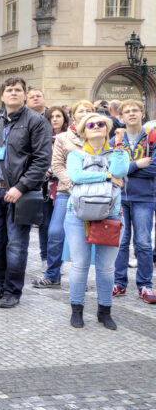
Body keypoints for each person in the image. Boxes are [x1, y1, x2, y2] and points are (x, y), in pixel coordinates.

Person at [0, 77, 52, 308]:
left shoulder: (36, 122)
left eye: (18, 90)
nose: (13, 93)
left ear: (24, 95)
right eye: (9, 90)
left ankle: (13, 290)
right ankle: (0, 283)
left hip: (18, 194)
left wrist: (20, 187)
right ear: (2, 96)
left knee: (16, 245)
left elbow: (42, 160)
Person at [65, 113, 129, 329]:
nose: (97, 127)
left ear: (107, 129)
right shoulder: (75, 154)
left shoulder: (117, 152)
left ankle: (105, 311)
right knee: (80, 264)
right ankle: (77, 309)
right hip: (77, 213)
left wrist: (119, 146)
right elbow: (75, 176)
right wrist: (107, 176)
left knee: (105, 267)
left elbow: (120, 171)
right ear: (83, 131)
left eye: (101, 124)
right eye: (91, 125)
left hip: (110, 214)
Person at [32, 101, 94, 289]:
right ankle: (53, 274)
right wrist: (73, 183)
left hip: (92, 194)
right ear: (73, 115)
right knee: (55, 232)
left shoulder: (99, 132)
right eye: (80, 111)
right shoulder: (62, 138)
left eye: (88, 111)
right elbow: (57, 165)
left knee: (89, 236)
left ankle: (84, 277)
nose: (84, 114)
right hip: (66, 191)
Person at [112, 99, 156, 303]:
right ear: (120, 117)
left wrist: (125, 170)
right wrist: (137, 164)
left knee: (143, 243)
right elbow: (112, 170)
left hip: (144, 197)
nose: (131, 114)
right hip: (119, 197)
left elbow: (154, 169)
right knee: (120, 243)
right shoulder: (115, 141)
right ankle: (119, 282)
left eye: (135, 110)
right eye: (127, 111)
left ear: (142, 113)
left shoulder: (152, 139)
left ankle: (145, 285)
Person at [36, 107, 70, 272]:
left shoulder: (70, 138)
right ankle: (45, 258)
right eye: (52, 117)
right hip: (45, 187)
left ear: (64, 118)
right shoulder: (42, 138)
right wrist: (45, 171)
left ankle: (58, 260)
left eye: (59, 116)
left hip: (63, 187)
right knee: (45, 224)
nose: (55, 119)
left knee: (60, 227)